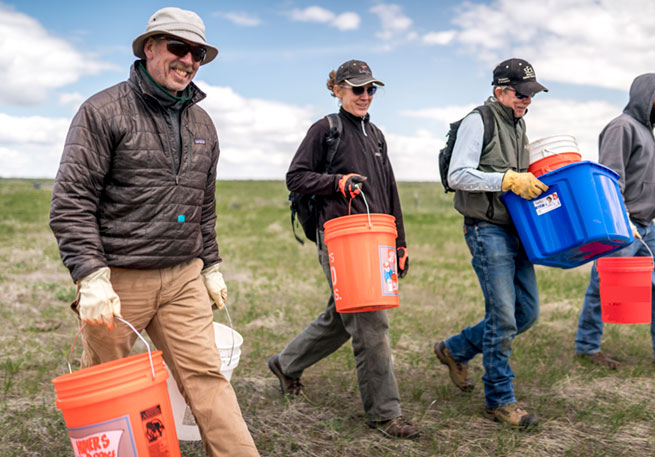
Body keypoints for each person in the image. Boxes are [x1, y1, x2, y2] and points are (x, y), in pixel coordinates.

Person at [49, 7, 260, 456]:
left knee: (207, 379)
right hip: (120, 281)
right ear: (150, 48)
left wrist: (211, 266)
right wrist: (91, 275)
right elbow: (72, 201)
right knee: (112, 393)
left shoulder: (204, 124)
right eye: (178, 48)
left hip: (183, 276)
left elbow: (203, 205)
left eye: (197, 53)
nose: (188, 60)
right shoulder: (101, 110)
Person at [268, 59, 419, 439]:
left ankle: (286, 364)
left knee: (342, 314)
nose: (365, 96)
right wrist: (337, 182)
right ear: (337, 89)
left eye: (371, 89)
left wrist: (399, 242)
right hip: (341, 237)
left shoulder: (377, 134)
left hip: (377, 238)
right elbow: (296, 177)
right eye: (357, 89)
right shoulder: (325, 129)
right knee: (370, 320)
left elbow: (390, 191)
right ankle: (385, 414)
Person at [433, 58, 549, 428]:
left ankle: (455, 349)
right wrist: (508, 181)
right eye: (521, 94)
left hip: (517, 229)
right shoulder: (477, 120)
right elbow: (459, 174)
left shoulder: (519, 123)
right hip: (486, 229)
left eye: (531, 95)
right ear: (500, 90)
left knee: (525, 313)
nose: (527, 101)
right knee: (502, 314)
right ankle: (500, 399)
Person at [575, 73, 655, 370]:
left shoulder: (646, 129)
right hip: (623, 224)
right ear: (644, 94)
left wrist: (653, 220)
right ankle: (587, 347)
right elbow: (609, 180)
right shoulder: (622, 127)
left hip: (648, 226)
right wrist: (621, 220)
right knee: (605, 284)